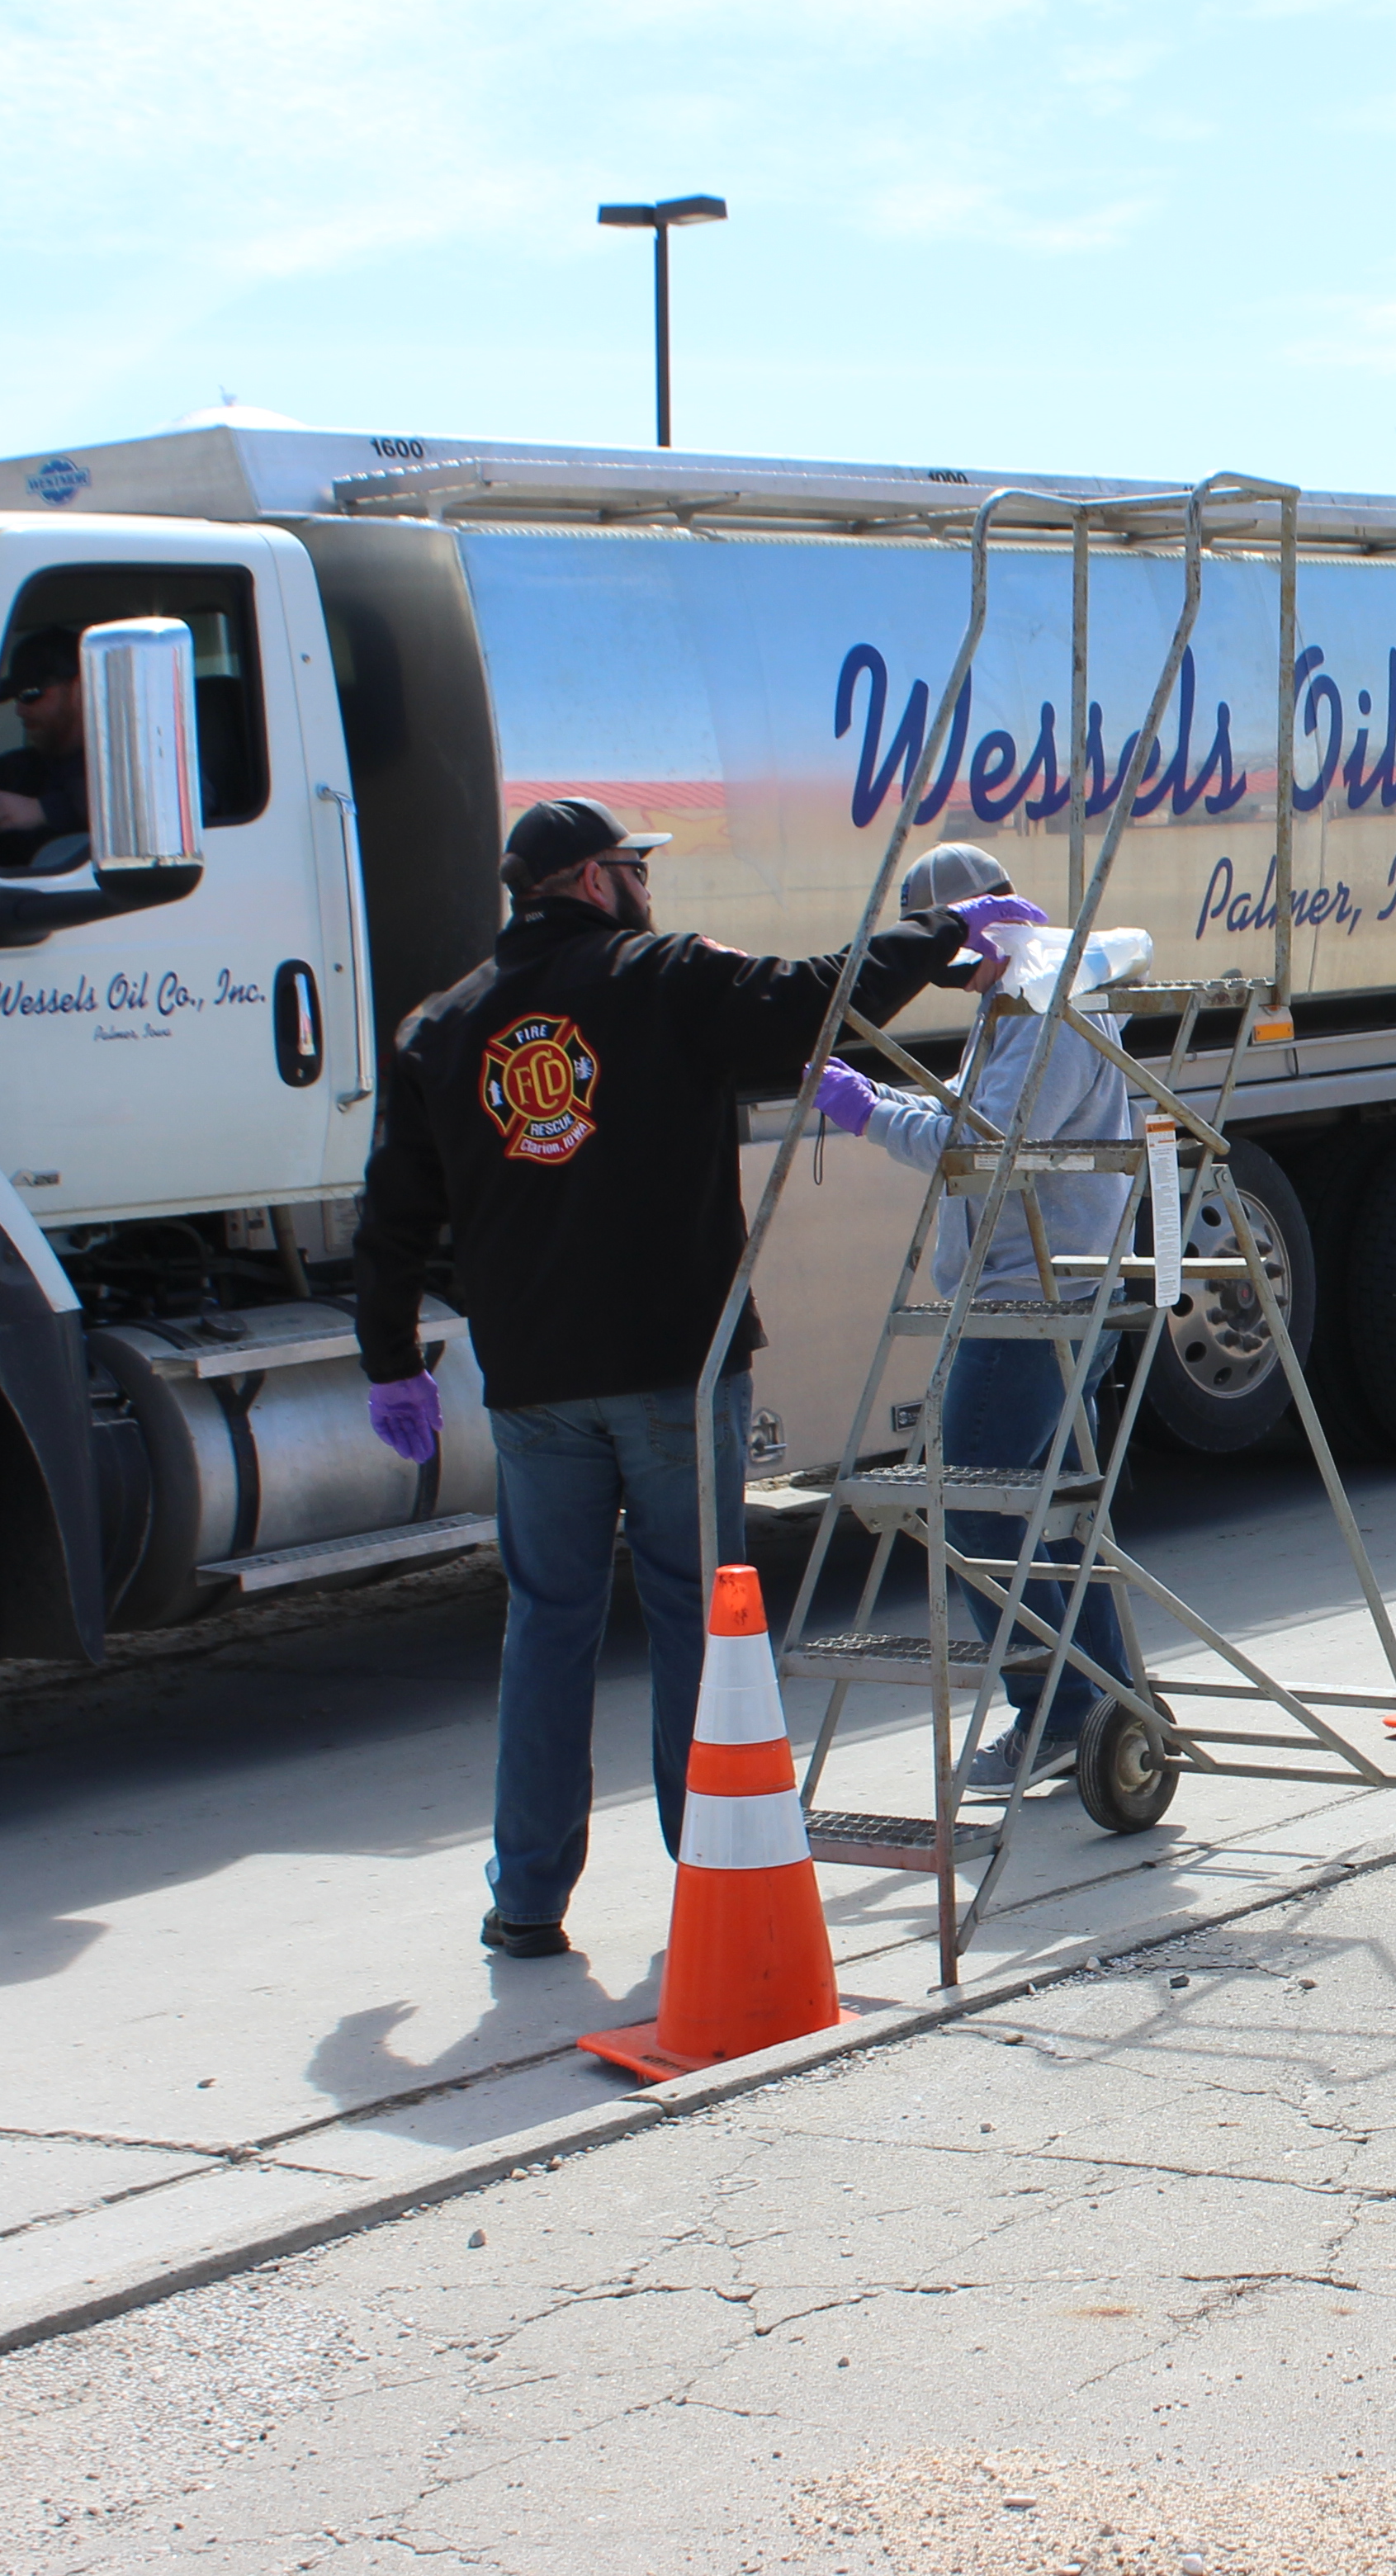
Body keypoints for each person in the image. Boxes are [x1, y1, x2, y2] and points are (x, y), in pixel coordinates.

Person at [353, 797, 1025, 1956]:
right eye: (633, 866)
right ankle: (715, 1867)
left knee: (547, 1629)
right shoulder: (659, 975)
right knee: (696, 1623)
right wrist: (936, 936)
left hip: (532, 1385)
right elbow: (810, 998)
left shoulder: (443, 1025)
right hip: (673, 1364)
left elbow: (392, 1217)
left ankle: (526, 1902)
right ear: (592, 881)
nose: (647, 885)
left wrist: (388, 1359)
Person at [812, 844, 1149, 1794]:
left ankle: (1058, 1711)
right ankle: (1102, 1707)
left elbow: (981, 1144)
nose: (954, 976)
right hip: (1034, 1288)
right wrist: (881, 1096)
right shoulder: (1030, 999)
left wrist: (864, 1115)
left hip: (1031, 1297)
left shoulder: (1044, 1012)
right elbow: (976, 1111)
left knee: (975, 1512)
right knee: (1041, 1519)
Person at [0, 635, 88, 866]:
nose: (19, 709)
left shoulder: (121, 765)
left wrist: (42, 811)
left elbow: (137, 805)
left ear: (78, 689)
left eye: (31, 694)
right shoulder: (12, 771)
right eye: (15, 697)